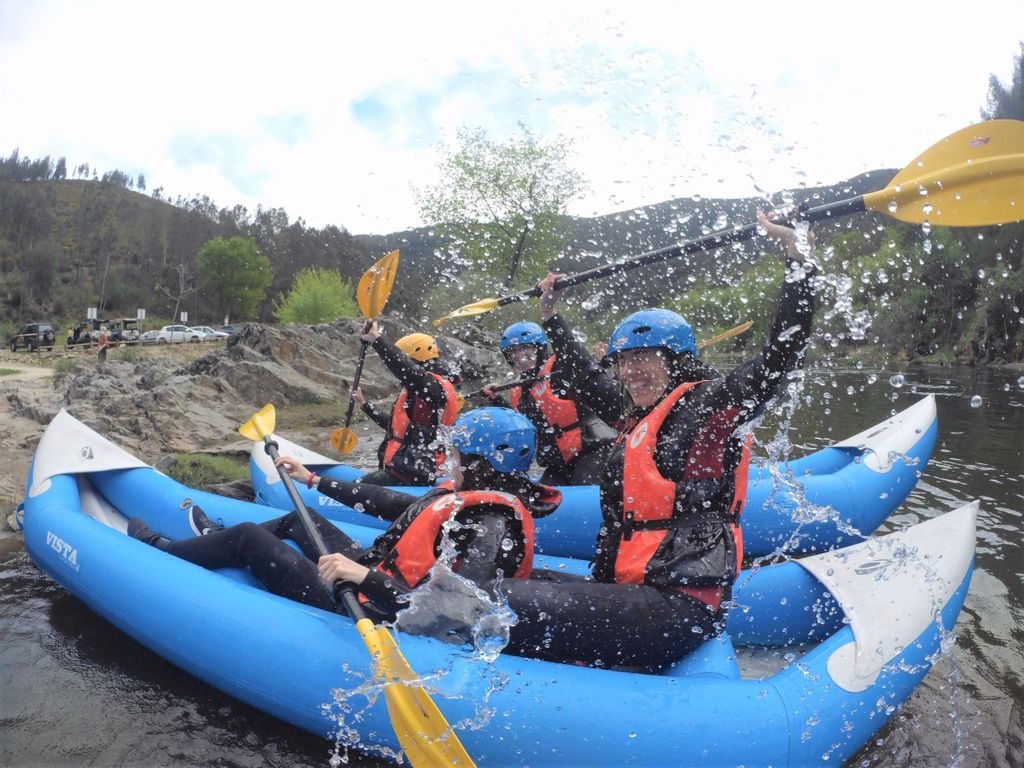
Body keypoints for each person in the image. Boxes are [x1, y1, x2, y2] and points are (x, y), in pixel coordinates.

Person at [488, 211, 818, 670]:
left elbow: (779, 357)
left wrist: (798, 261)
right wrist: (553, 317)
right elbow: (586, 376)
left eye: (643, 358)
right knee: (495, 573)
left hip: (678, 607)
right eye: (624, 361)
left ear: (678, 361)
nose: (629, 371)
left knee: (490, 597)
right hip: (636, 588)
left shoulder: (707, 409)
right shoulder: (635, 415)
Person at [127, 408, 561, 631]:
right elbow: (395, 505)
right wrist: (314, 479)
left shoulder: (489, 525)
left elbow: (454, 610)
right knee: (302, 518)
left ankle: (164, 550)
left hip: (373, 603)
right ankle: (213, 542)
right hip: (376, 571)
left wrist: (362, 577)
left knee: (245, 537)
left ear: (483, 463)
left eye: (459, 456)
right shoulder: (469, 496)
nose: (451, 462)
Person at [481, 321, 616, 485]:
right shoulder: (521, 387)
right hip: (559, 463)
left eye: (525, 348)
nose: (518, 355)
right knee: (542, 503)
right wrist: (497, 400)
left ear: (539, 349)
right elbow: (520, 426)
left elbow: (579, 364)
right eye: (513, 351)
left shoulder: (559, 369)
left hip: (592, 452)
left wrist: (603, 364)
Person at [353, 324, 460, 486]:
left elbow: (404, 368)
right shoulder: (420, 389)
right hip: (407, 469)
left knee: (349, 490)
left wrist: (376, 339)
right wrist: (364, 404)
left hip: (415, 472)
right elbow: (396, 428)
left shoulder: (431, 387)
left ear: (415, 359)